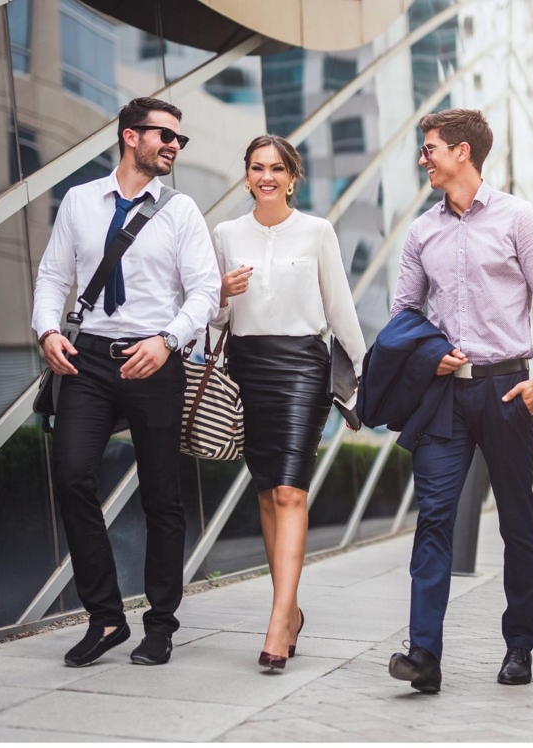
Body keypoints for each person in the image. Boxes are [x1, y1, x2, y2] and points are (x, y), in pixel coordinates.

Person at [385, 109, 533, 693]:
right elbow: (404, 317)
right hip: (444, 393)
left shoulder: (520, 219)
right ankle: (423, 655)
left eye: (431, 148)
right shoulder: (422, 232)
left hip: (507, 389)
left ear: (463, 153)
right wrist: (425, 358)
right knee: (434, 520)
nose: (424, 158)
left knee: (517, 522)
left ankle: (519, 644)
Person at [32, 97, 220, 668]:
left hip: (155, 359)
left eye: (178, 140)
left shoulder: (181, 211)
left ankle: (160, 623)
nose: (173, 146)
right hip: (87, 360)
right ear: (129, 136)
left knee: (163, 496)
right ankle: (106, 617)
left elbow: (206, 291)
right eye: (164, 135)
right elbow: (52, 275)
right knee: (72, 477)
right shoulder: (81, 202)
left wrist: (167, 342)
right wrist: (46, 330)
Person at [212, 135, 366, 670]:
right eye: (257, 167)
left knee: (289, 492)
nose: (267, 176)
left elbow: (340, 308)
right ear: (247, 175)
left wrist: (361, 376)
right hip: (249, 367)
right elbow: (214, 318)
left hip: (304, 365)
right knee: (265, 494)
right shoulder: (227, 234)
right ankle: (291, 610)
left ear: (292, 177)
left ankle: (278, 621)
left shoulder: (317, 232)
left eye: (277, 168)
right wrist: (221, 292)